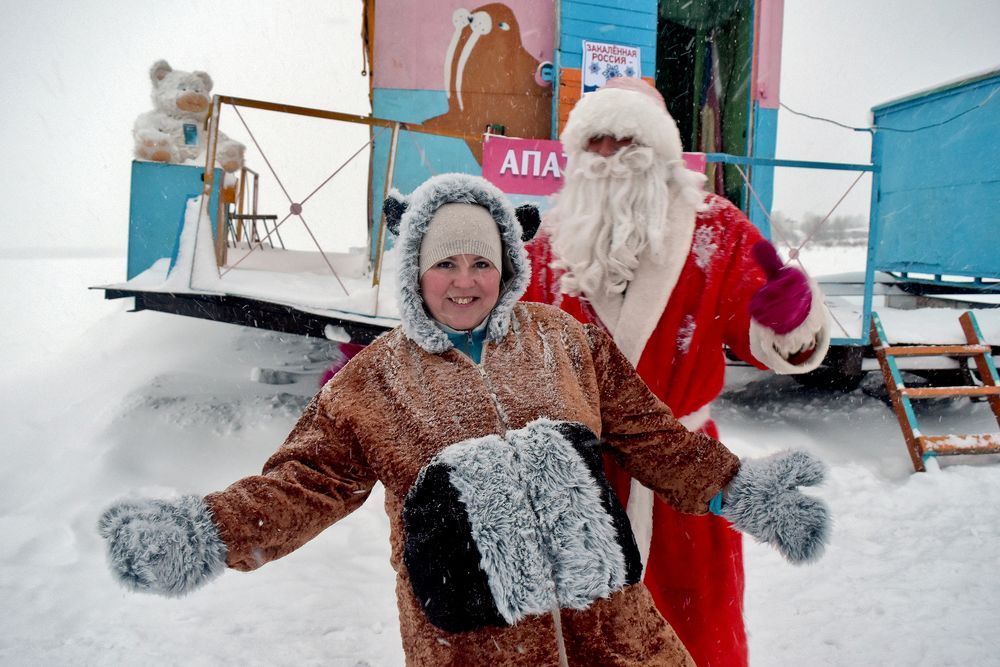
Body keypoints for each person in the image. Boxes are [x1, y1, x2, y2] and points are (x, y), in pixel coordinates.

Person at [98, 173, 829, 667]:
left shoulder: (563, 339)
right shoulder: (375, 379)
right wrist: (204, 532)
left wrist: (746, 493)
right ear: (415, 270)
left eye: (482, 262)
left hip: (618, 635)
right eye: (446, 263)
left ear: (507, 265)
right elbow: (301, 485)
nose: (465, 281)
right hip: (475, 650)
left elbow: (651, 436)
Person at [522, 77, 832, 667]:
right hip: (575, 487)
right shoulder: (547, 247)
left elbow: (777, 340)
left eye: (628, 142)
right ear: (578, 155)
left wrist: (793, 321)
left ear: (661, 152)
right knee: (581, 643)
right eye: (597, 143)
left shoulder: (716, 230)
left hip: (683, 489)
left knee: (695, 639)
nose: (611, 158)